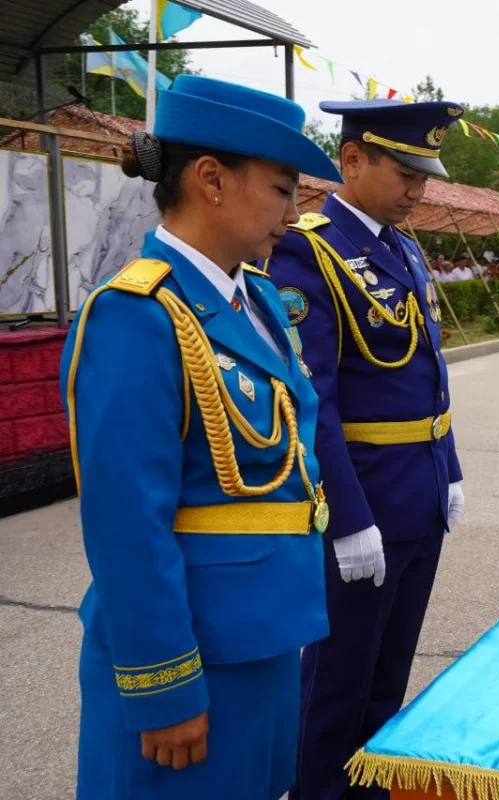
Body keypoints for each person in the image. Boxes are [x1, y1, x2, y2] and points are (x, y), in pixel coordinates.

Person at [63, 75, 340, 800]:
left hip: (265, 635)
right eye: (282, 188)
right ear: (212, 179)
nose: (293, 209)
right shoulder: (138, 313)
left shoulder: (256, 304)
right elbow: (127, 521)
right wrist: (164, 686)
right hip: (194, 657)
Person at [265, 99, 465, 800]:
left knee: (388, 674)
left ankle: (369, 790)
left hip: (419, 493)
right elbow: (313, 401)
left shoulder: (402, 247)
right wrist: (346, 518)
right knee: (338, 684)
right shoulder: (308, 249)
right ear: (352, 161)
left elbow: (429, 374)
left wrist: (451, 469)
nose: (419, 189)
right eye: (405, 172)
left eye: (425, 175)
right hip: (366, 500)